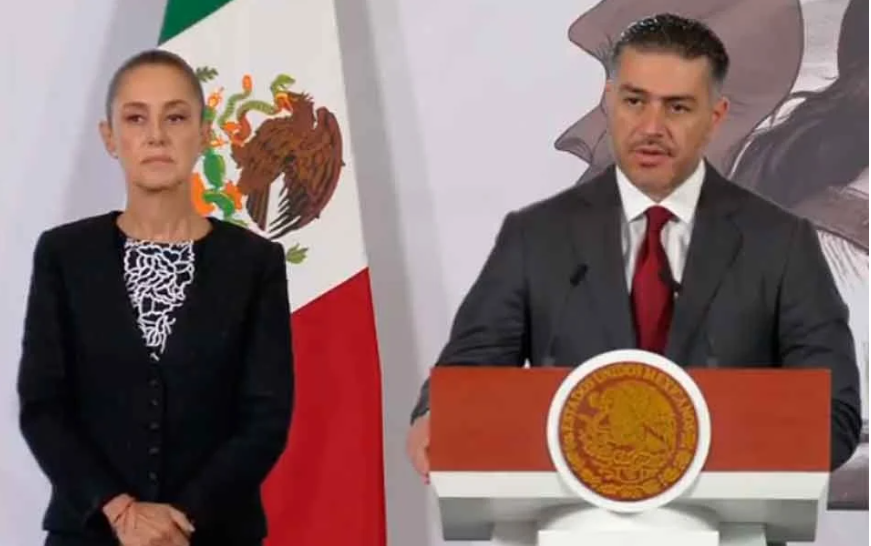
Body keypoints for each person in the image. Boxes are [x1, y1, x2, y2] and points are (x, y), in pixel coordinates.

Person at [406, 13, 861, 485]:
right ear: (609, 102)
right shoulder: (537, 237)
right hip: (572, 514)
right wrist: (440, 414)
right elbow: (471, 366)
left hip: (724, 515)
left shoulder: (780, 243)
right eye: (634, 101)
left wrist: (688, 444)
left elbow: (833, 417)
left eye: (677, 107)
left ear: (716, 116)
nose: (651, 127)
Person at [17, 49, 294, 546]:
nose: (156, 135)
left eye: (176, 117)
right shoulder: (64, 255)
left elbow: (265, 418)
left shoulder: (255, 263)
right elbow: (43, 406)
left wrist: (177, 519)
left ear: (204, 133)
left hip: (214, 533)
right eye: (136, 118)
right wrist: (121, 511)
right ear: (109, 137)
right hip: (90, 532)